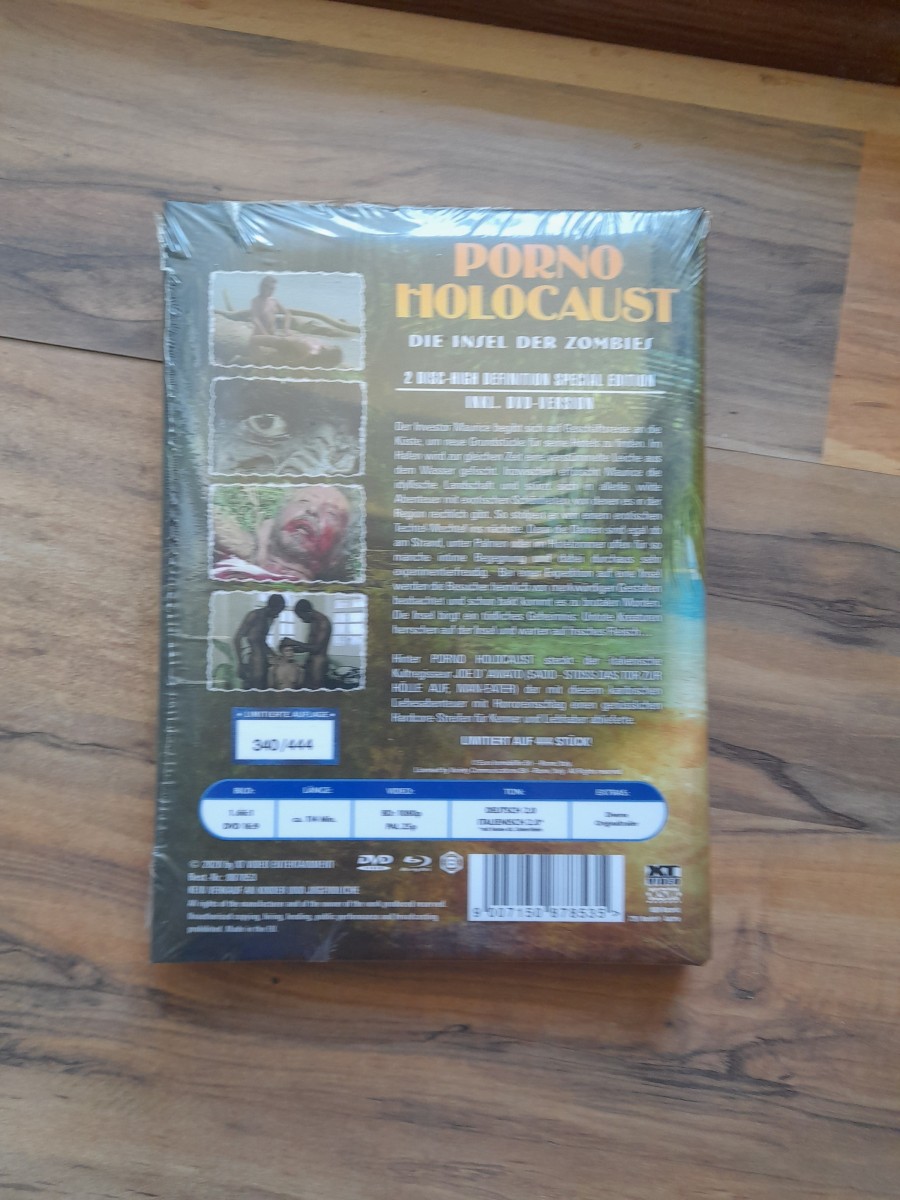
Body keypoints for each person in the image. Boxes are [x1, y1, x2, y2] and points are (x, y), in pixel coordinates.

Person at [214, 486, 354, 583]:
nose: (312, 509)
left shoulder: (305, 596)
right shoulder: (225, 551)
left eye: (331, 514)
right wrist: (255, 548)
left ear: (336, 557)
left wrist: (254, 551)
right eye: (304, 501)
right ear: (273, 521)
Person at [232, 594, 285, 689]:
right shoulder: (254, 615)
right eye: (277, 612)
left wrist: (275, 655)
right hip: (252, 660)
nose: (277, 616)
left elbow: (262, 641)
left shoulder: (270, 619)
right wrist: (240, 663)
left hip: (263, 661)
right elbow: (237, 638)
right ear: (271, 607)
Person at [293, 598, 332, 689]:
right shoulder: (312, 621)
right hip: (310, 662)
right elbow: (309, 646)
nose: (302, 620)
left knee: (315, 692)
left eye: (302, 617)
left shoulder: (323, 622)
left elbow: (316, 648)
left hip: (318, 664)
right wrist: (294, 649)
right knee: (305, 689)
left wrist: (293, 642)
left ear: (308, 612)